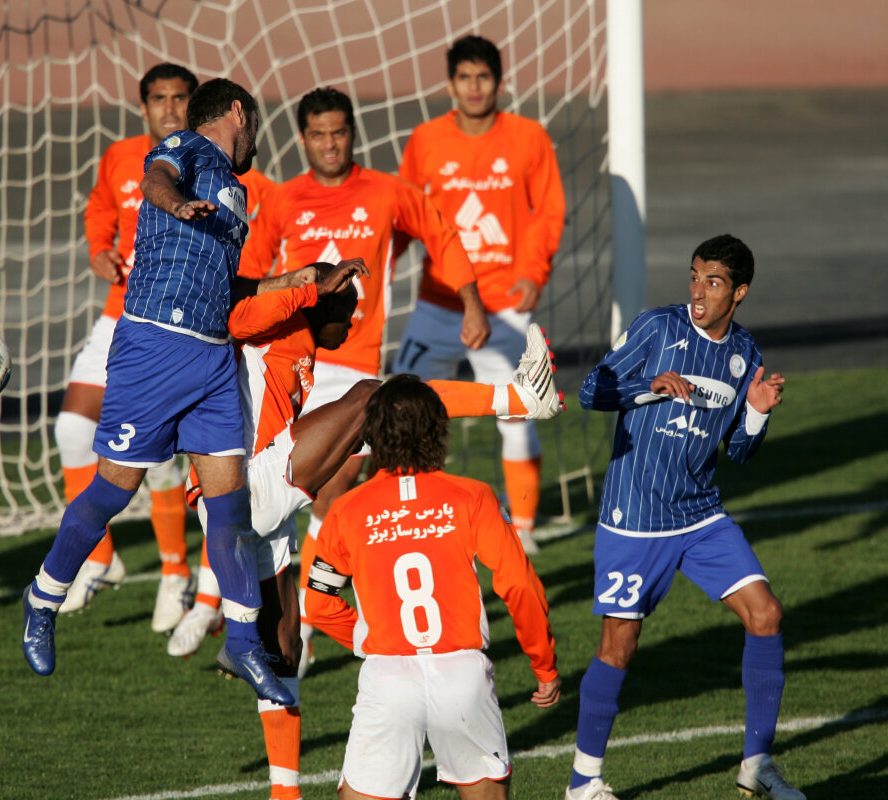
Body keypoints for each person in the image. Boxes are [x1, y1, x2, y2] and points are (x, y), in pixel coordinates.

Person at [174, 260, 562, 800]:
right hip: (244, 484)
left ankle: (284, 792)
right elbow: (237, 318)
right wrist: (308, 287)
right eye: (348, 311)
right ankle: (519, 399)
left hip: (262, 505)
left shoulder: (301, 350)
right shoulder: (273, 323)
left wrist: (373, 639)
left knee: (284, 648)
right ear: (321, 302)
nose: (353, 324)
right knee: (374, 397)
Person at [21, 78, 295, 706]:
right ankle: (43, 598)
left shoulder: (237, 194)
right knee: (114, 489)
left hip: (214, 356)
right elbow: (156, 180)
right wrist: (176, 204)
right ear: (237, 112)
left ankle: (245, 643)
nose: (257, 138)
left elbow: (229, 283)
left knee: (229, 509)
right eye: (254, 124)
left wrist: (295, 279)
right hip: (155, 346)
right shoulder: (187, 147)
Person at [239, 85, 490, 668]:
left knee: (332, 490)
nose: (330, 144)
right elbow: (249, 275)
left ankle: (304, 618)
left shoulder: (387, 193)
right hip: (288, 367)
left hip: (354, 365)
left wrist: (471, 302)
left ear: (354, 133)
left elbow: (442, 234)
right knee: (262, 502)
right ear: (303, 139)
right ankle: (242, 611)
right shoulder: (282, 200)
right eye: (318, 134)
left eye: (339, 132)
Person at [566, 235, 801, 800]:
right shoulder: (657, 327)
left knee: (766, 614)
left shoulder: (744, 351)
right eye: (695, 277)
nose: (698, 291)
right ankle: (582, 783)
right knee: (619, 645)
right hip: (635, 517)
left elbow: (739, 452)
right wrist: (647, 387)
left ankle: (757, 765)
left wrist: (756, 413)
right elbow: (591, 390)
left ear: (739, 293)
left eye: (713, 282)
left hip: (700, 515)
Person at [61, 63, 276, 628]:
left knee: (178, 470)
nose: (170, 108)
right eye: (159, 98)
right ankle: (98, 561)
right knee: (73, 432)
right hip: (129, 314)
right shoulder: (128, 157)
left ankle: (177, 575)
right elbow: (102, 209)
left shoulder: (224, 174)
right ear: (144, 107)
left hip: (197, 325)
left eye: (181, 97)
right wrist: (98, 248)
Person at [304, 374, 561, 800]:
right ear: (439, 429)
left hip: (387, 678)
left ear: (370, 435)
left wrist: (375, 639)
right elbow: (519, 585)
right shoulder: (473, 496)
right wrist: (544, 665)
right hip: (463, 675)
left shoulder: (345, 510)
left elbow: (318, 605)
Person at [393, 35, 566, 555]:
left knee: (519, 412)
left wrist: (533, 273)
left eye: (483, 77)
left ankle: (524, 531)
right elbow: (404, 214)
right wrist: (377, 273)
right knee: (403, 406)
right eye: (464, 78)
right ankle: (410, 513)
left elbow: (549, 211)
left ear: (499, 82)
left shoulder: (528, 137)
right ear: (450, 84)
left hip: (506, 305)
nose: (474, 87)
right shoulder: (426, 140)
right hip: (437, 301)